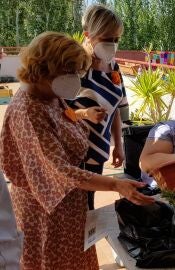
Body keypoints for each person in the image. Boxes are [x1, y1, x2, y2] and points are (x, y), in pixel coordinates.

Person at [0, 32, 154, 270]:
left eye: (76, 72)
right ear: (45, 68)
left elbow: (66, 118)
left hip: (68, 206)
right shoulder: (28, 110)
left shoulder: (49, 95)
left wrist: (83, 114)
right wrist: (114, 184)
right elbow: (61, 171)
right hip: (46, 213)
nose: (74, 79)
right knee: (54, 262)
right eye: (69, 71)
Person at [68, 4, 129, 210]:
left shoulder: (114, 66)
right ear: (88, 35)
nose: (112, 44)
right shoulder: (75, 67)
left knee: (89, 203)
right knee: (77, 208)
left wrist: (118, 145)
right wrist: (84, 114)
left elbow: (117, 108)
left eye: (116, 39)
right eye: (107, 38)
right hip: (75, 151)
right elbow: (58, 113)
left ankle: (88, 243)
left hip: (99, 149)